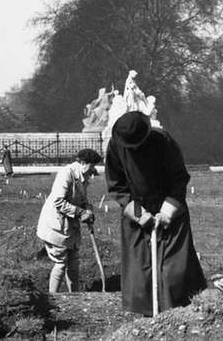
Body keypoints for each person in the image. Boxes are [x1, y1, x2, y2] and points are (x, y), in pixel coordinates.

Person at [105, 111, 206, 316]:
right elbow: (117, 186)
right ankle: (148, 317)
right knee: (141, 272)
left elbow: (179, 178)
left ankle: (175, 315)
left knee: (173, 271)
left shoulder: (163, 141)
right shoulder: (116, 146)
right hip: (137, 212)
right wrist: (140, 214)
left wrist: (166, 212)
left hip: (170, 211)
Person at [36, 148, 102, 292]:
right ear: (83, 163)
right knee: (61, 262)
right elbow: (59, 201)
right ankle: (52, 297)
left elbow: (81, 199)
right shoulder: (67, 173)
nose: (93, 170)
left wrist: (88, 209)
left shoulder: (83, 177)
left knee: (73, 263)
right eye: (92, 166)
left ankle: (75, 296)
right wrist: (80, 212)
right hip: (55, 225)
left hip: (69, 226)